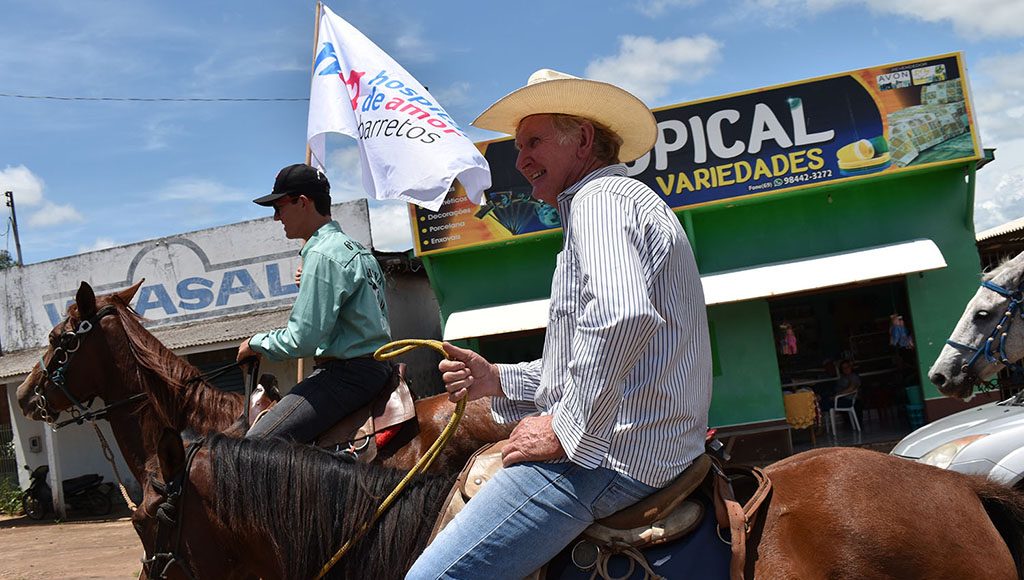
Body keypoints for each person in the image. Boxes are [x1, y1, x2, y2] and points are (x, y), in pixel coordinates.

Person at [407, 69, 713, 578]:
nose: (520, 160)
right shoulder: (620, 202)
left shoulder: (599, 201)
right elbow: (589, 360)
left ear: (584, 140)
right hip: (652, 448)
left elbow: (621, 316)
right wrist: (496, 378)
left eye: (534, 142)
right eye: (518, 147)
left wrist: (566, 430)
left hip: (611, 461)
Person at [237, 163, 393, 443]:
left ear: (302, 202)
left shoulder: (322, 255)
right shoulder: (356, 249)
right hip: (377, 367)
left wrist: (255, 343)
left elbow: (303, 340)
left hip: (346, 376)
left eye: (279, 207)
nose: (276, 217)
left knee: (252, 447)